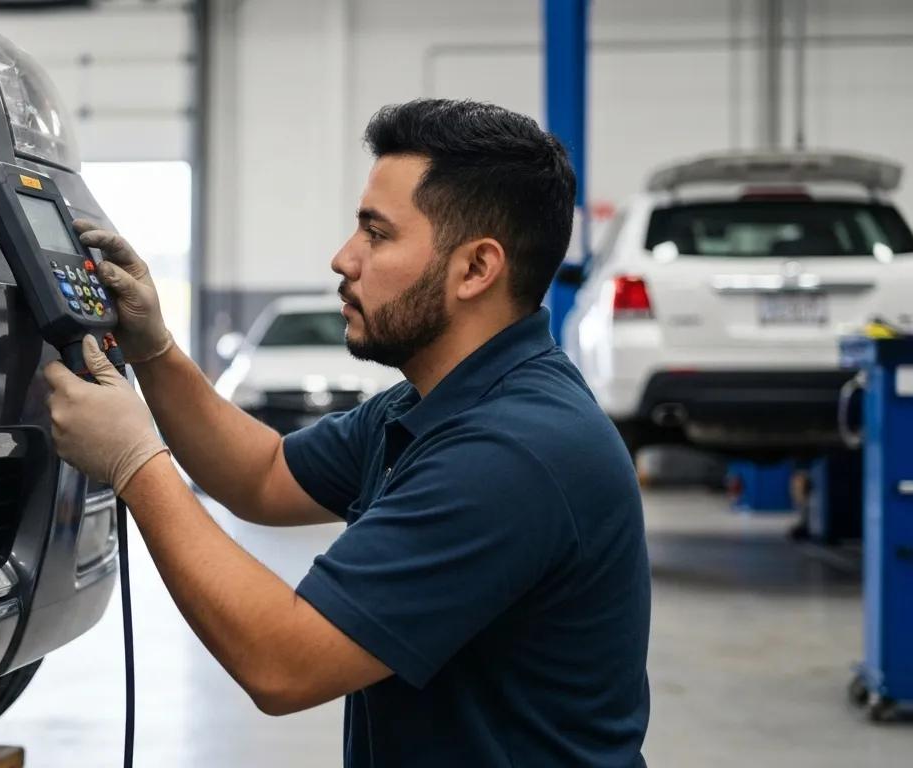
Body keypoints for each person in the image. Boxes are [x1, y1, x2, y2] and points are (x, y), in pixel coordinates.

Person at [42, 99, 650, 767]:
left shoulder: (513, 451)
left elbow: (283, 662)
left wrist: (136, 463)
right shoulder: (428, 406)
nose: (343, 258)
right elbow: (265, 474)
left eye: (377, 234)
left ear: (476, 269)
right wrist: (155, 351)